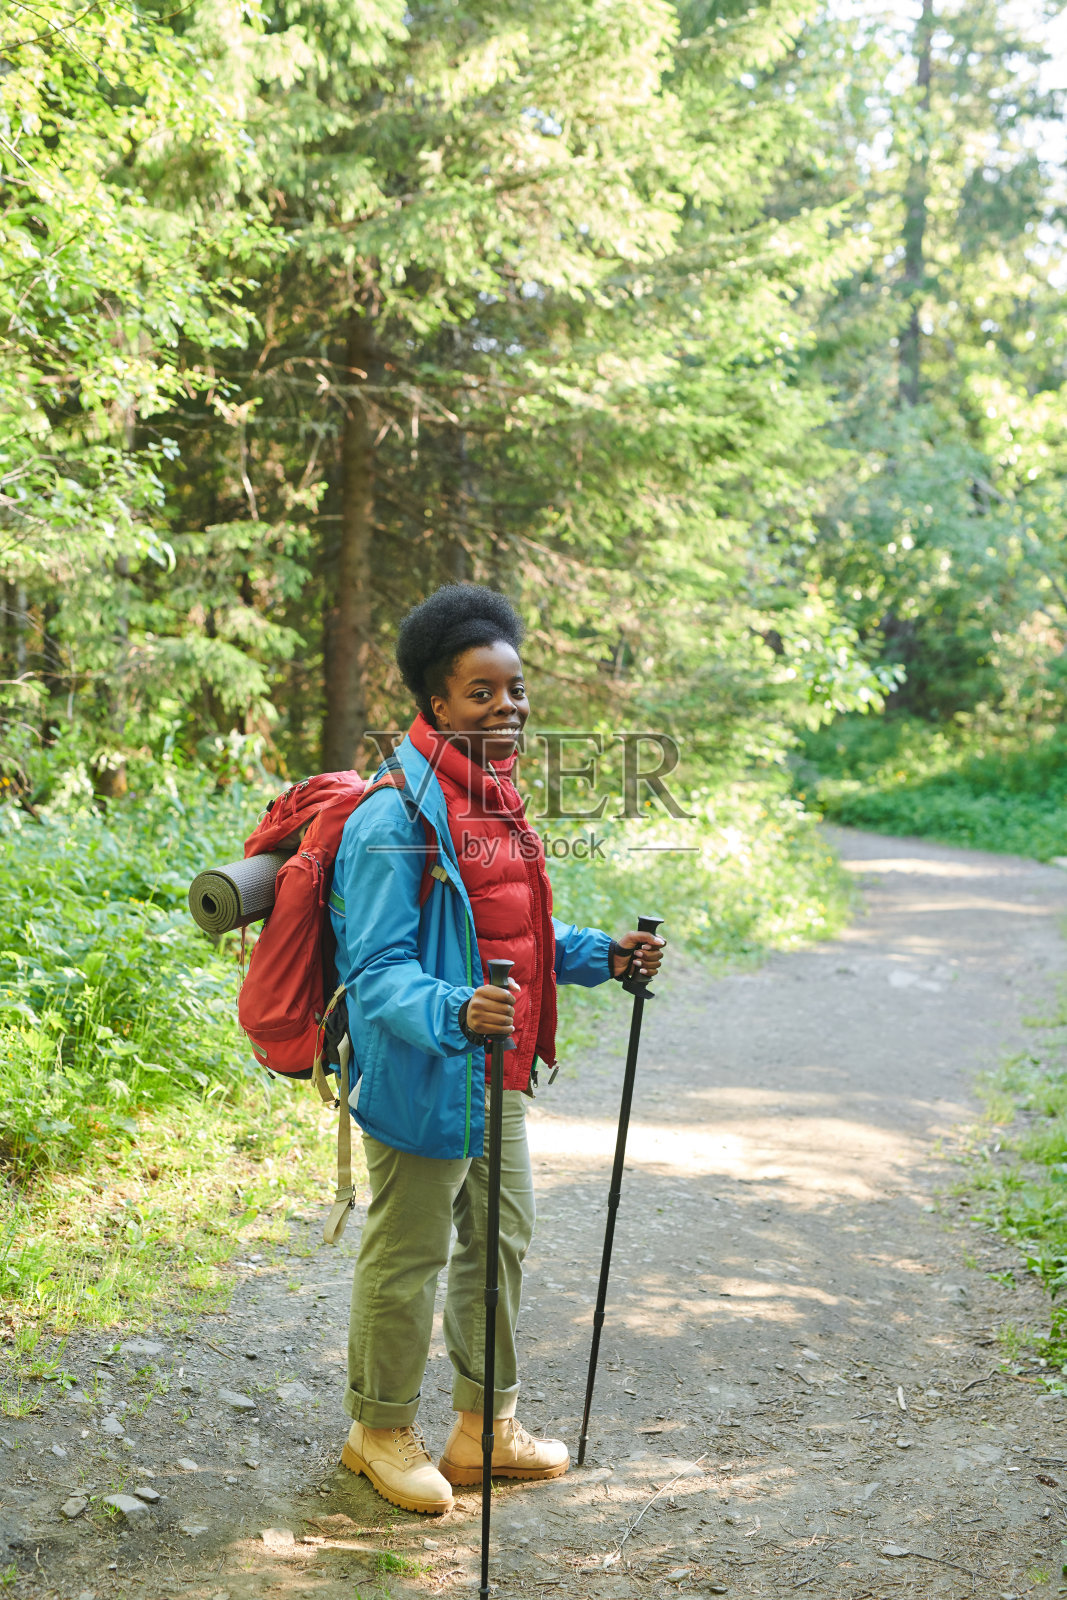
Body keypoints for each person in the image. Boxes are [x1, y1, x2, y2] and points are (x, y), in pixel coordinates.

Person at [329, 585, 665, 1514]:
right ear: (436, 703)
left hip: (492, 1070)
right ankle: (379, 1431)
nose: (506, 707)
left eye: (514, 690)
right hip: (419, 1072)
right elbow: (379, 969)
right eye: (482, 693)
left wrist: (603, 954)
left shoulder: (494, 800)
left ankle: (484, 1429)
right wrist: (453, 1012)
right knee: (408, 1254)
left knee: (499, 1241)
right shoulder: (394, 817)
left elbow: (512, 944)